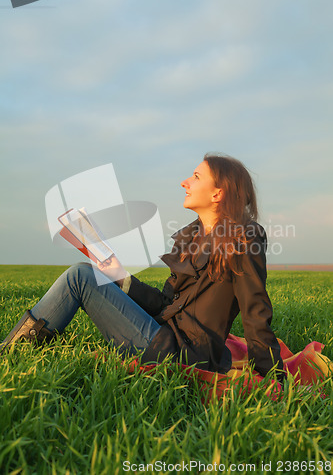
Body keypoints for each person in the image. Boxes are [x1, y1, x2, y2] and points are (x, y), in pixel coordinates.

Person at [1, 154, 284, 382]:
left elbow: (255, 309)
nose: (185, 182)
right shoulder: (191, 236)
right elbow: (164, 304)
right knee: (90, 272)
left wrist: (272, 377)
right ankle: (13, 350)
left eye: (196, 176)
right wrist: (119, 276)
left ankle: (9, 353)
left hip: (184, 354)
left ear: (218, 193)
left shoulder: (244, 236)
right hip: (162, 335)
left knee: (80, 276)